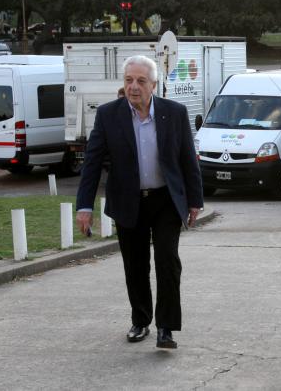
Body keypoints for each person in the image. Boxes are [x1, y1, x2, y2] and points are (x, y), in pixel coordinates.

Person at [76, 55, 204, 350]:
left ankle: (166, 328)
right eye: (129, 80)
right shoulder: (109, 115)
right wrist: (84, 206)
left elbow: (188, 159)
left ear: (153, 85)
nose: (133, 87)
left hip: (165, 201)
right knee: (135, 265)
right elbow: (92, 163)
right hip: (128, 201)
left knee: (167, 262)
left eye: (140, 81)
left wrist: (194, 200)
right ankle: (141, 320)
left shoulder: (174, 112)